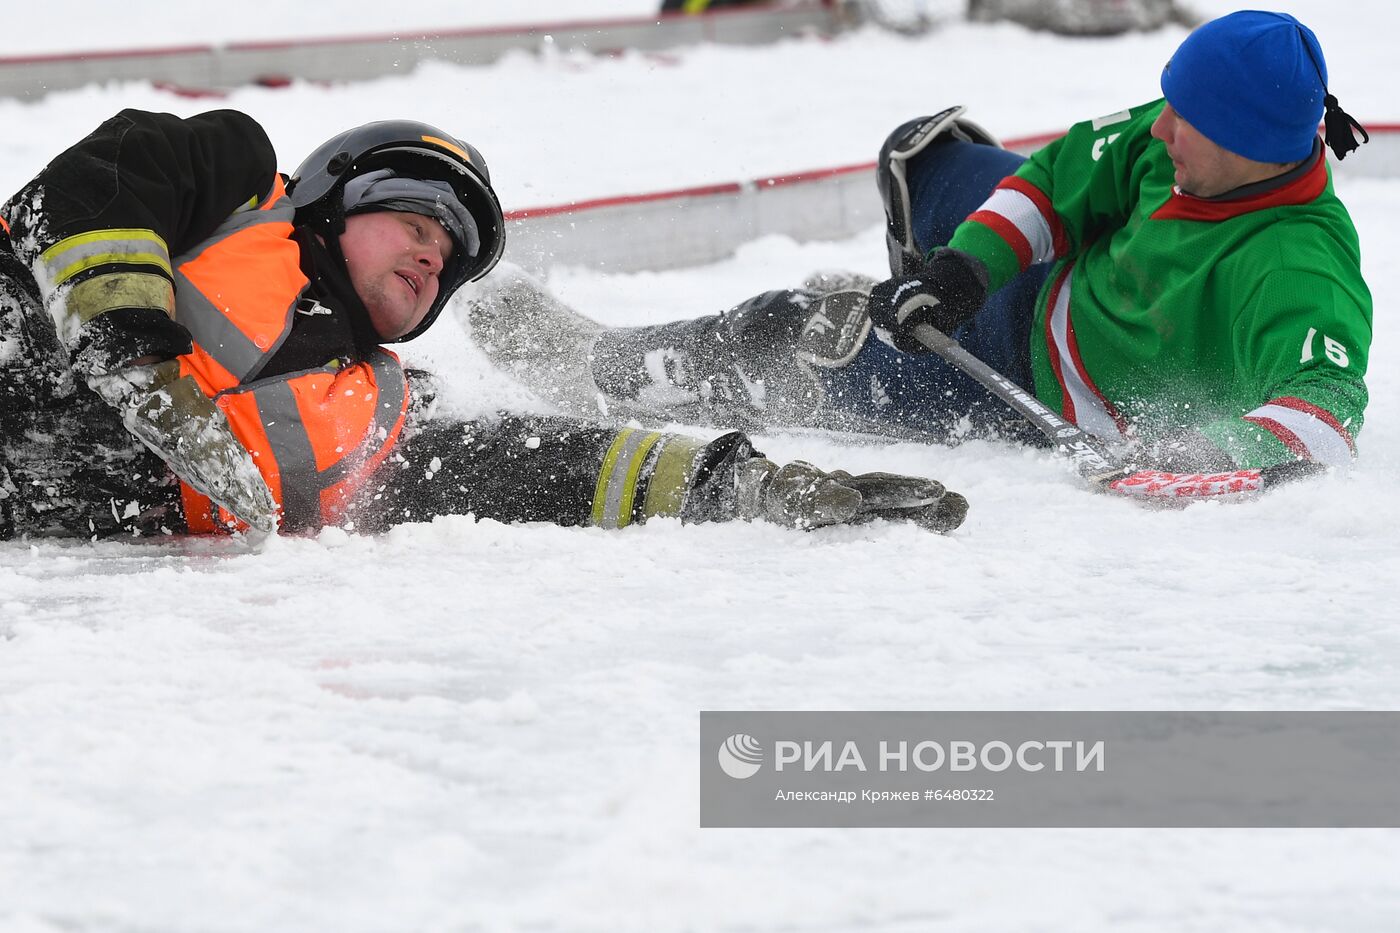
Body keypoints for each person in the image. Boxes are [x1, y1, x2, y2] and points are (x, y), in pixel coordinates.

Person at [465, 10, 1372, 502]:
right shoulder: (1177, 128)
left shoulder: (1298, 268)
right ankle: (904, 305)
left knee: (792, 336)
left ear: (1254, 145)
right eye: (1168, 103)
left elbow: (1326, 414)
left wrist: (1206, 447)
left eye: (1189, 121)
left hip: (1033, 381)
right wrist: (964, 271)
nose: (1162, 124)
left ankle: (602, 365)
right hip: (1052, 289)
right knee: (925, 152)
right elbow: (1056, 184)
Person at [0, 109, 968, 541]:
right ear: (335, 206)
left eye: (450, 254)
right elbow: (93, 183)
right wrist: (131, 355)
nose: (433, 253)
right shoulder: (233, 184)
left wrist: (747, 485)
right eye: (415, 222)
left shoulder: (378, 415)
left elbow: (540, 464)